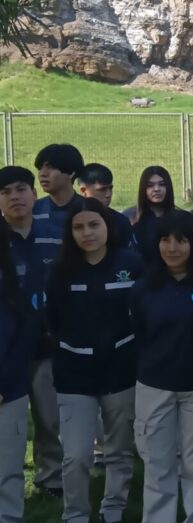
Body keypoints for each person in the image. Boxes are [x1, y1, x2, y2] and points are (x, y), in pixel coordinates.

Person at [47, 198, 142, 523]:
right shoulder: (60, 272)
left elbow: (142, 314)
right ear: (70, 232)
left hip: (121, 371)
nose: (87, 233)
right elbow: (53, 321)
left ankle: (113, 511)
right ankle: (75, 517)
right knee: (75, 455)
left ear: (107, 227)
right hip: (74, 374)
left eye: (93, 225)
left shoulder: (131, 263)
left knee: (118, 449)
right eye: (78, 227)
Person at [130, 211, 193, 523]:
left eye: (181, 240)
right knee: (157, 460)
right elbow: (138, 334)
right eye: (166, 240)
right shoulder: (144, 288)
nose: (172, 247)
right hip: (154, 385)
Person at [0, 166, 64, 498]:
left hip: (46, 341)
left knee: (49, 414)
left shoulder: (55, 233)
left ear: (34, 194)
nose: (15, 196)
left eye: (21, 189)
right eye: (6, 191)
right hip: (6, 346)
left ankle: (51, 476)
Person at [0, 223, 42, 523]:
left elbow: (27, 334)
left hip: (7, 391)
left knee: (7, 471)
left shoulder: (14, 280)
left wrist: (4, 384)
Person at [126, 166, 177, 264]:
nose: (156, 189)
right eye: (150, 185)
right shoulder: (130, 218)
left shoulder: (180, 218)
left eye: (162, 184)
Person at [78, 163, 134, 249]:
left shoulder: (121, 221)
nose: (108, 194)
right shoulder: (71, 219)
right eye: (102, 189)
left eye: (110, 188)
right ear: (83, 191)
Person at [32, 144, 85, 233]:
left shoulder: (89, 209)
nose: (42, 174)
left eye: (51, 168)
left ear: (71, 172)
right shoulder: (32, 210)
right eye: (40, 168)